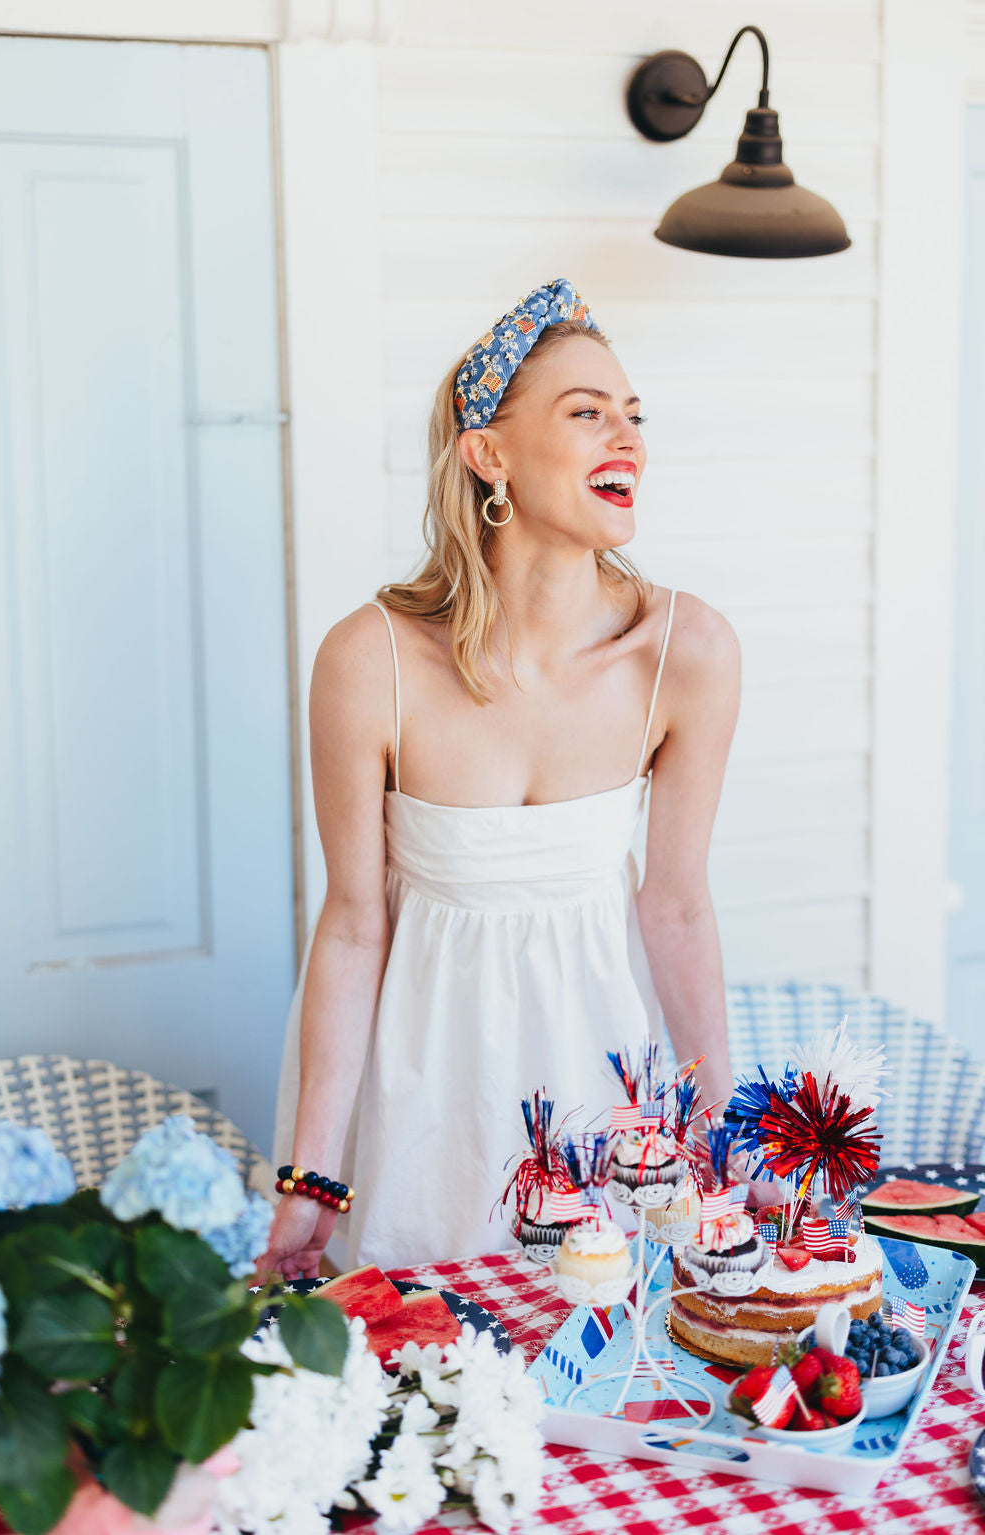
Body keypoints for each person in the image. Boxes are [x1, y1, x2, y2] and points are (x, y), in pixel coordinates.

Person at [262, 278, 741, 1280]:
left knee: (611, 1348)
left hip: (602, 1066)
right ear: (489, 453)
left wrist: (720, 1124)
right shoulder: (370, 659)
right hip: (419, 1080)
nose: (628, 437)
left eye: (633, 415)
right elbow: (352, 922)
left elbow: (679, 904)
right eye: (585, 412)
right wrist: (311, 1171)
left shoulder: (684, 649)